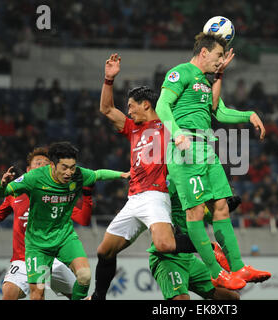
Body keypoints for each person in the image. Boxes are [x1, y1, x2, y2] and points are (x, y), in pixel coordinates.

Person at [155, 32, 271, 289]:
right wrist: (177, 135)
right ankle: (215, 271)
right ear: (204, 52)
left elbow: (219, 111)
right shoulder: (180, 72)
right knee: (195, 211)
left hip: (206, 148)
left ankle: (238, 268)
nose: (221, 60)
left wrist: (248, 114)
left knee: (221, 207)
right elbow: (162, 105)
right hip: (185, 147)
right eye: (218, 55)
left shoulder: (205, 82)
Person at [89, 54, 196, 300]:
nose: (129, 111)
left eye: (131, 106)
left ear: (146, 104)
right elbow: (106, 109)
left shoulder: (168, 127)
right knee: (104, 251)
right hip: (134, 199)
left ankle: (208, 248)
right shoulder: (133, 129)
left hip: (156, 195)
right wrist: (108, 79)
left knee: (165, 245)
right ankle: (99, 297)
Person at [0, 141, 130, 300]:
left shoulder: (78, 175)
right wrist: (2, 184)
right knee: (37, 294)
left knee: (85, 276)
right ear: (52, 165)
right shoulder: (34, 177)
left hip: (64, 238)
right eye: (64, 167)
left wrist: (122, 175)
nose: (69, 172)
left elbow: (98, 174)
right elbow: (0, 193)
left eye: (72, 167)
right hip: (39, 246)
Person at [0, 147, 94, 300]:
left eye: (46, 163)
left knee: (81, 295)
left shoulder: (59, 195)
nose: (42, 166)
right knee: (10, 293)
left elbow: (83, 219)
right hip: (24, 259)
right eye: (38, 163)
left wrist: (88, 196)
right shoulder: (16, 193)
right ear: (28, 169)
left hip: (54, 258)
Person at [148, 175, 241, 300]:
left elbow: (210, 217)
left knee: (231, 297)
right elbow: (153, 202)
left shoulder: (195, 188)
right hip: (167, 258)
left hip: (189, 258)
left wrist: (224, 209)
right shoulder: (172, 180)